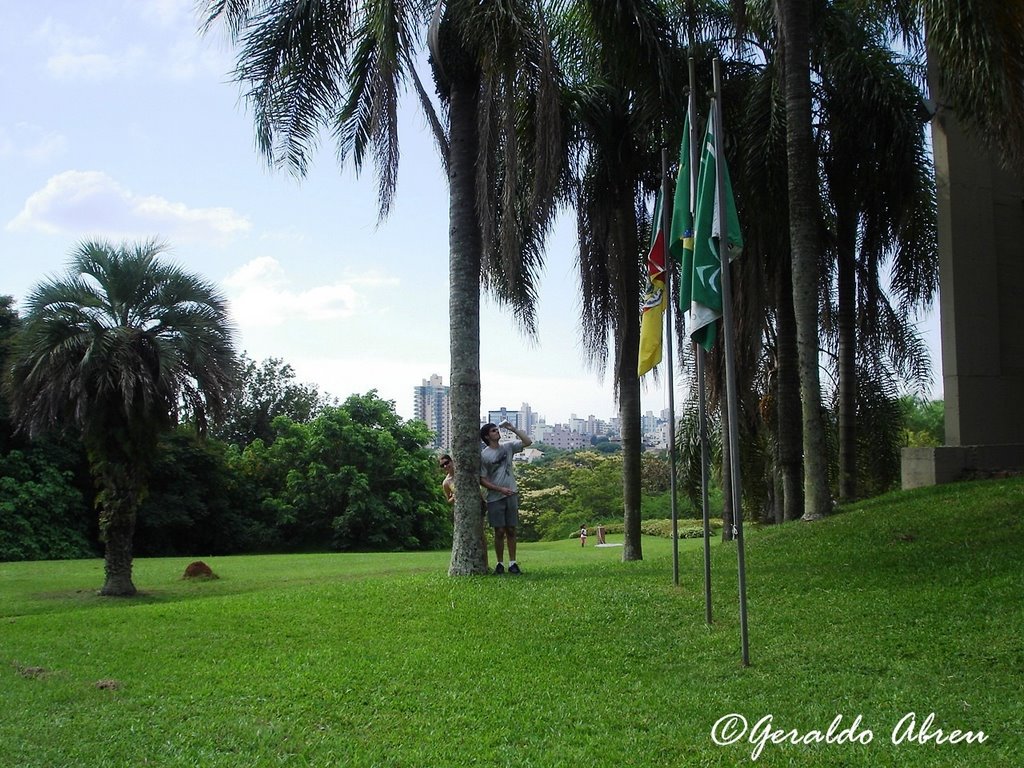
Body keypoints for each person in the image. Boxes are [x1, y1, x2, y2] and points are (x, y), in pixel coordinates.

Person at [479, 420, 532, 575]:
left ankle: (513, 563)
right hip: (495, 497)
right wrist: (499, 489)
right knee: (499, 531)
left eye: (497, 429)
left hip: (511, 494)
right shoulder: (484, 455)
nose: (497, 432)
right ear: (487, 436)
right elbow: (482, 479)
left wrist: (513, 428)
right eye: (494, 431)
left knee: (511, 529)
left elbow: (527, 442)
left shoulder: (508, 447)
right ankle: (500, 564)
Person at [440, 454, 488, 571]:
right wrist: (455, 497)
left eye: (447, 462)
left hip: (477, 505)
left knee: (480, 534)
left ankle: (484, 563)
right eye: (443, 465)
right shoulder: (446, 483)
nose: (446, 466)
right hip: (463, 511)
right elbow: (449, 500)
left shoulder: (464, 473)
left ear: (452, 461)